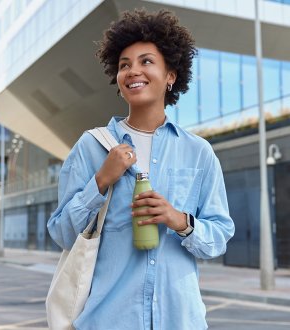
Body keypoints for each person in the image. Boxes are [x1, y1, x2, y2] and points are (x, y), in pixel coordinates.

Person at [47, 9, 235, 330]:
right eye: (124, 65)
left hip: (180, 321)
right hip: (107, 321)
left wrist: (179, 221)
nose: (133, 70)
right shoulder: (92, 146)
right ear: (118, 80)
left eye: (146, 61)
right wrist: (101, 181)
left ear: (171, 75)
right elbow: (62, 233)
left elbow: (218, 237)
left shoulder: (198, 152)